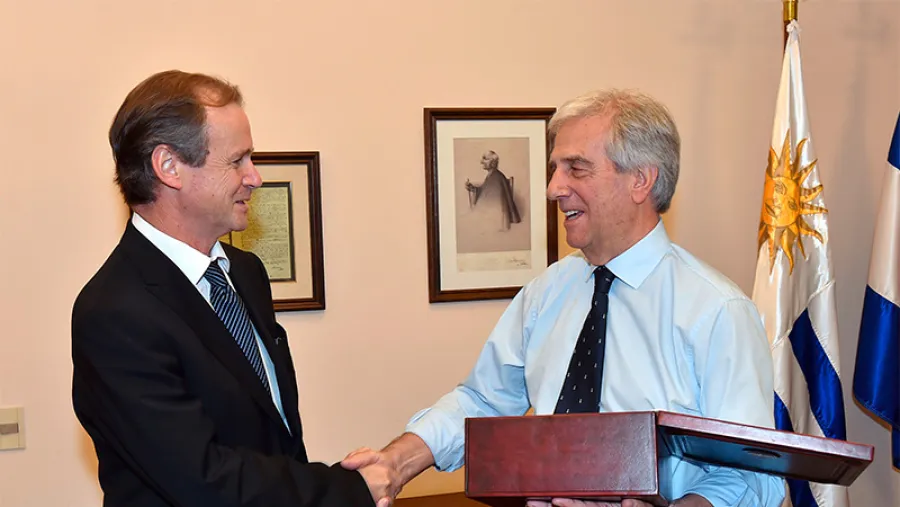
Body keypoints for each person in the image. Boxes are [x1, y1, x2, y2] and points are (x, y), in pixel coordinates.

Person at [342, 89, 785, 507]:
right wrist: (396, 463)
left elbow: (754, 474)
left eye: (576, 168)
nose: (553, 188)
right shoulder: (546, 293)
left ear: (641, 180)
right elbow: (482, 402)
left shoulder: (716, 312)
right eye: (555, 169)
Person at [71, 70, 394, 507]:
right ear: (169, 167)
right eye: (237, 161)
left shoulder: (244, 273)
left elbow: (268, 436)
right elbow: (202, 480)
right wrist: (344, 491)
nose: (255, 177)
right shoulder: (114, 313)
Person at [465, 150, 522, 231]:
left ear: (493, 162)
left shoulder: (495, 177)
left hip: (494, 223)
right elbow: (485, 191)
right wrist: (473, 188)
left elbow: (489, 202)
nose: (481, 162)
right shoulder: (494, 175)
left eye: (485, 159)